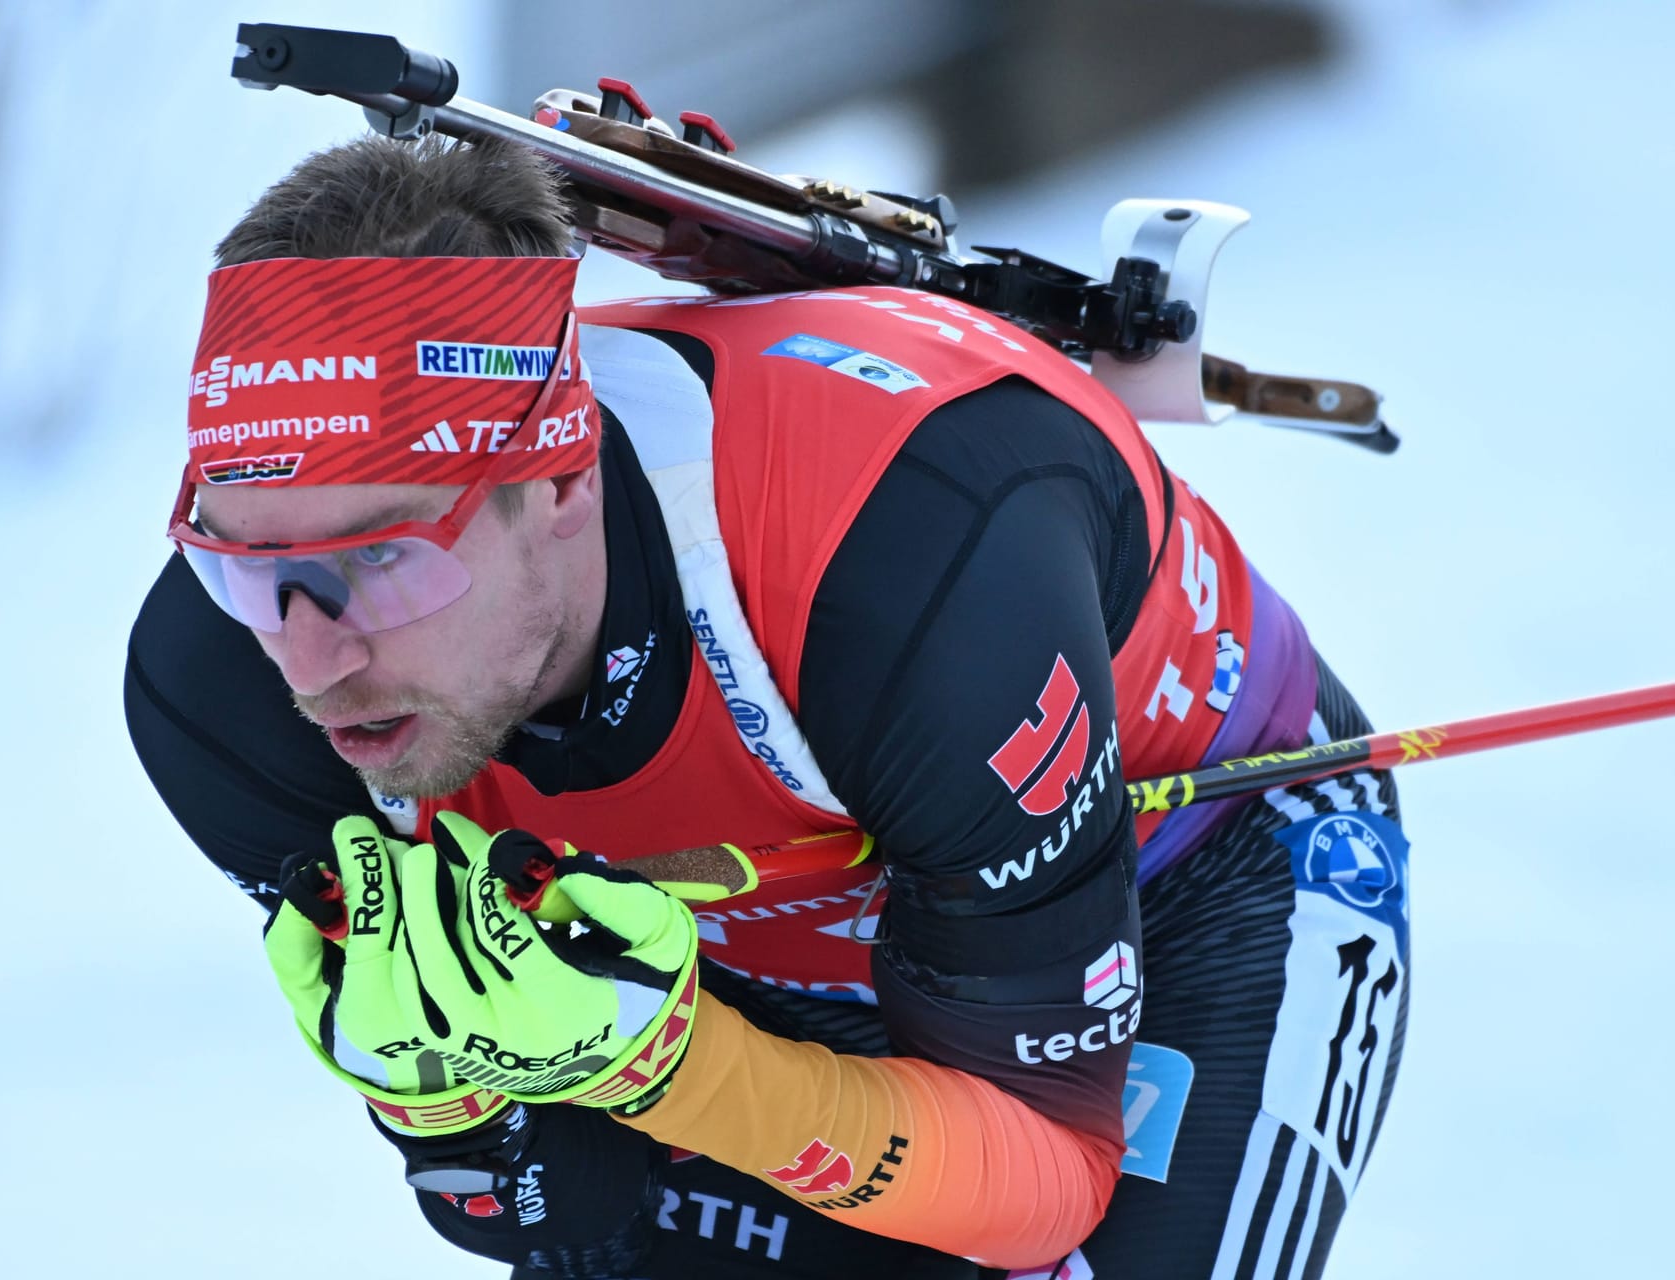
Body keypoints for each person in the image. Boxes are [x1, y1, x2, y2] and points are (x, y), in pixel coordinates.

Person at [125, 134, 1411, 1280]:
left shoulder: (905, 566)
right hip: (731, 938)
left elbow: (1042, 1186)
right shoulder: (215, 684)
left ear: (560, 482)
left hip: (1183, 876)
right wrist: (447, 1103)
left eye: (385, 557)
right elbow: (545, 1198)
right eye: (239, 564)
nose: (310, 661)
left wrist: (670, 1070)